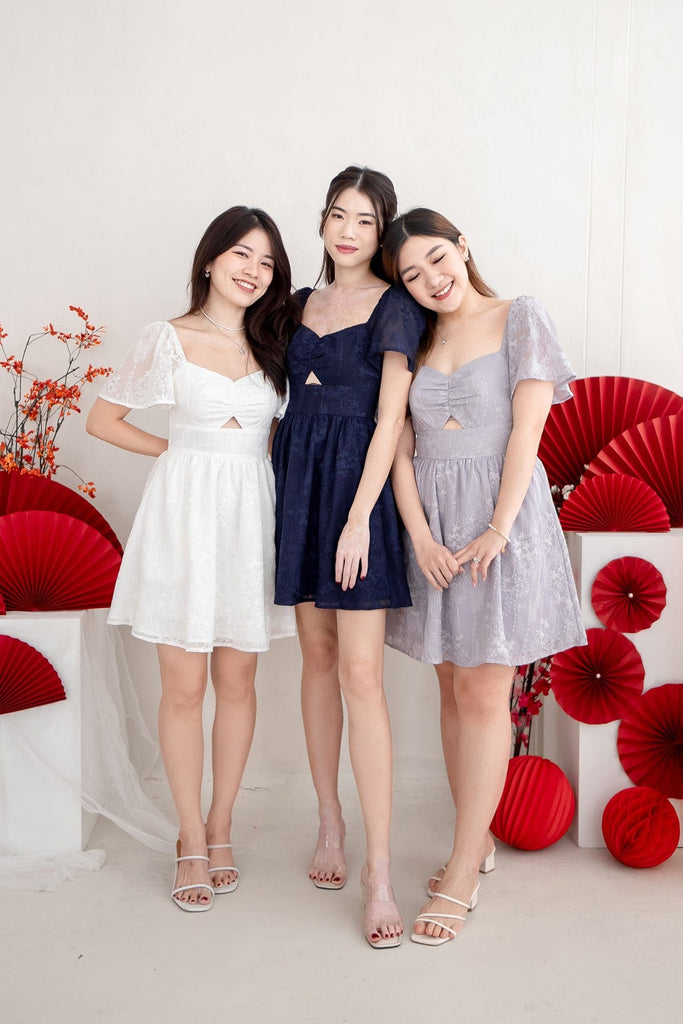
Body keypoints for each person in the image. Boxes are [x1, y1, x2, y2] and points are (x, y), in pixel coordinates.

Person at [382, 208, 586, 946]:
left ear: (462, 247)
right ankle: (478, 841)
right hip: (433, 529)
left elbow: (528, 431)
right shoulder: (414, 338)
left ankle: (463, 867)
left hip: (501, 521)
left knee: (482, 692)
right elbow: (399, 445)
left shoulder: (518, 315)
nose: (432, 280)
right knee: (450, 685)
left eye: (438, 259)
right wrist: (419, 535)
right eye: (412, 275)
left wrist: (497, 528)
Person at [86, 207, 299, 912]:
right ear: (210, 259)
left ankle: (221, 827)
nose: (252, 271)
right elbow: (102, 419)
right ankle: (188, 837)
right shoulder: (167, 338)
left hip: (250, 520)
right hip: (182, 521)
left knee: (238, 681)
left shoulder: (279, 344)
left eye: (266, 263)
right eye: (241, 254)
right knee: (182, 688)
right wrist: (176, 453)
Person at [272, 166, 424, 947]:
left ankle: (379, 870)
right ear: (323, 220)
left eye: (365, 220)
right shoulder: (296, 302)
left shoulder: (396, 305)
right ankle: (328, 821)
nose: (348, 231)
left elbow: (392, 419)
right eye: (338, 214)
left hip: (356, 492)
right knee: (318, 659)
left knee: (362, 675)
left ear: (381, 230)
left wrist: (361, 519)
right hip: (299, 487)